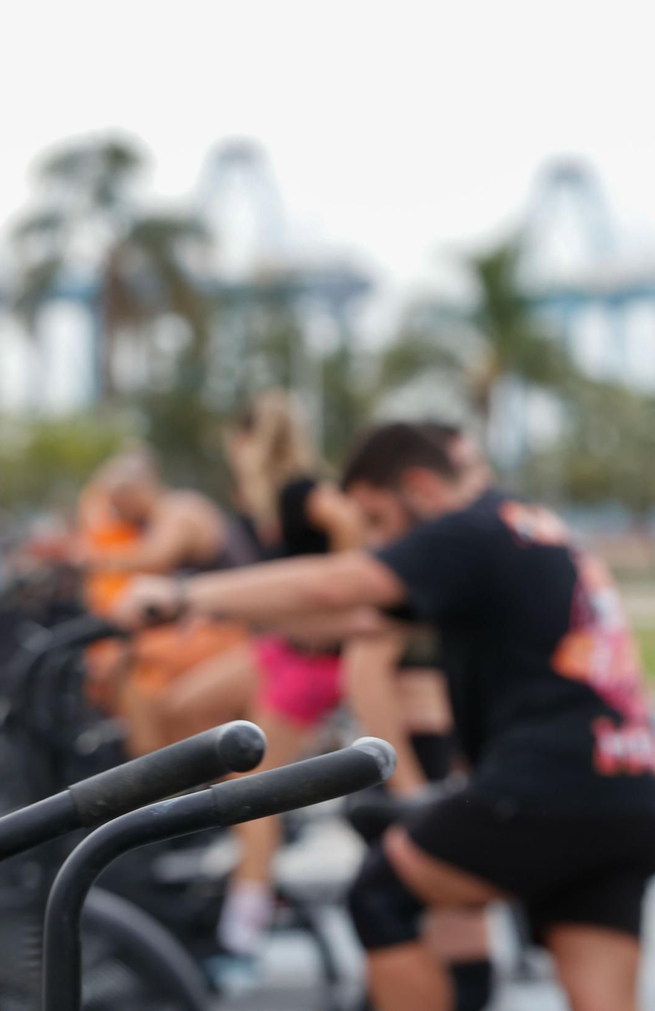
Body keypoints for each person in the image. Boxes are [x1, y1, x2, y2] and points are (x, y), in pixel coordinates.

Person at [109, 421, 655, 1011]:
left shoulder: (469, 527)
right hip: (635, 785)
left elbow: (341, 588)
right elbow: (359, 619)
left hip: (551, 781)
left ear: (419, 486)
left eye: (379, 521)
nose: (379, 541)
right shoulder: (529, 528)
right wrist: (226, 614)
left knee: (382, 893)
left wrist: (186, 596)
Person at [213, 392, 367, 962]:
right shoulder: (265, 500)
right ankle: (230, 853)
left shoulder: (301, 490)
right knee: (182, 706)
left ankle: (244, 925)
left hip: (315, 661)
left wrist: (339, 599)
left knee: (253, 792)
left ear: (247, 441)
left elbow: (349, 523)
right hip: (281, 649)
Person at [77, 448, 255, 756]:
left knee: (128, 661)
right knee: (128, 674)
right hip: (201, 628)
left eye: (119, 506)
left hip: (232, 629)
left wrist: (96, 559)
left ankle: (152, 769)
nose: (118, 515)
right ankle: (159, 761)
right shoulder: (153, 521)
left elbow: (157, 558)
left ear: (137, 492)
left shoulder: (179, 509)